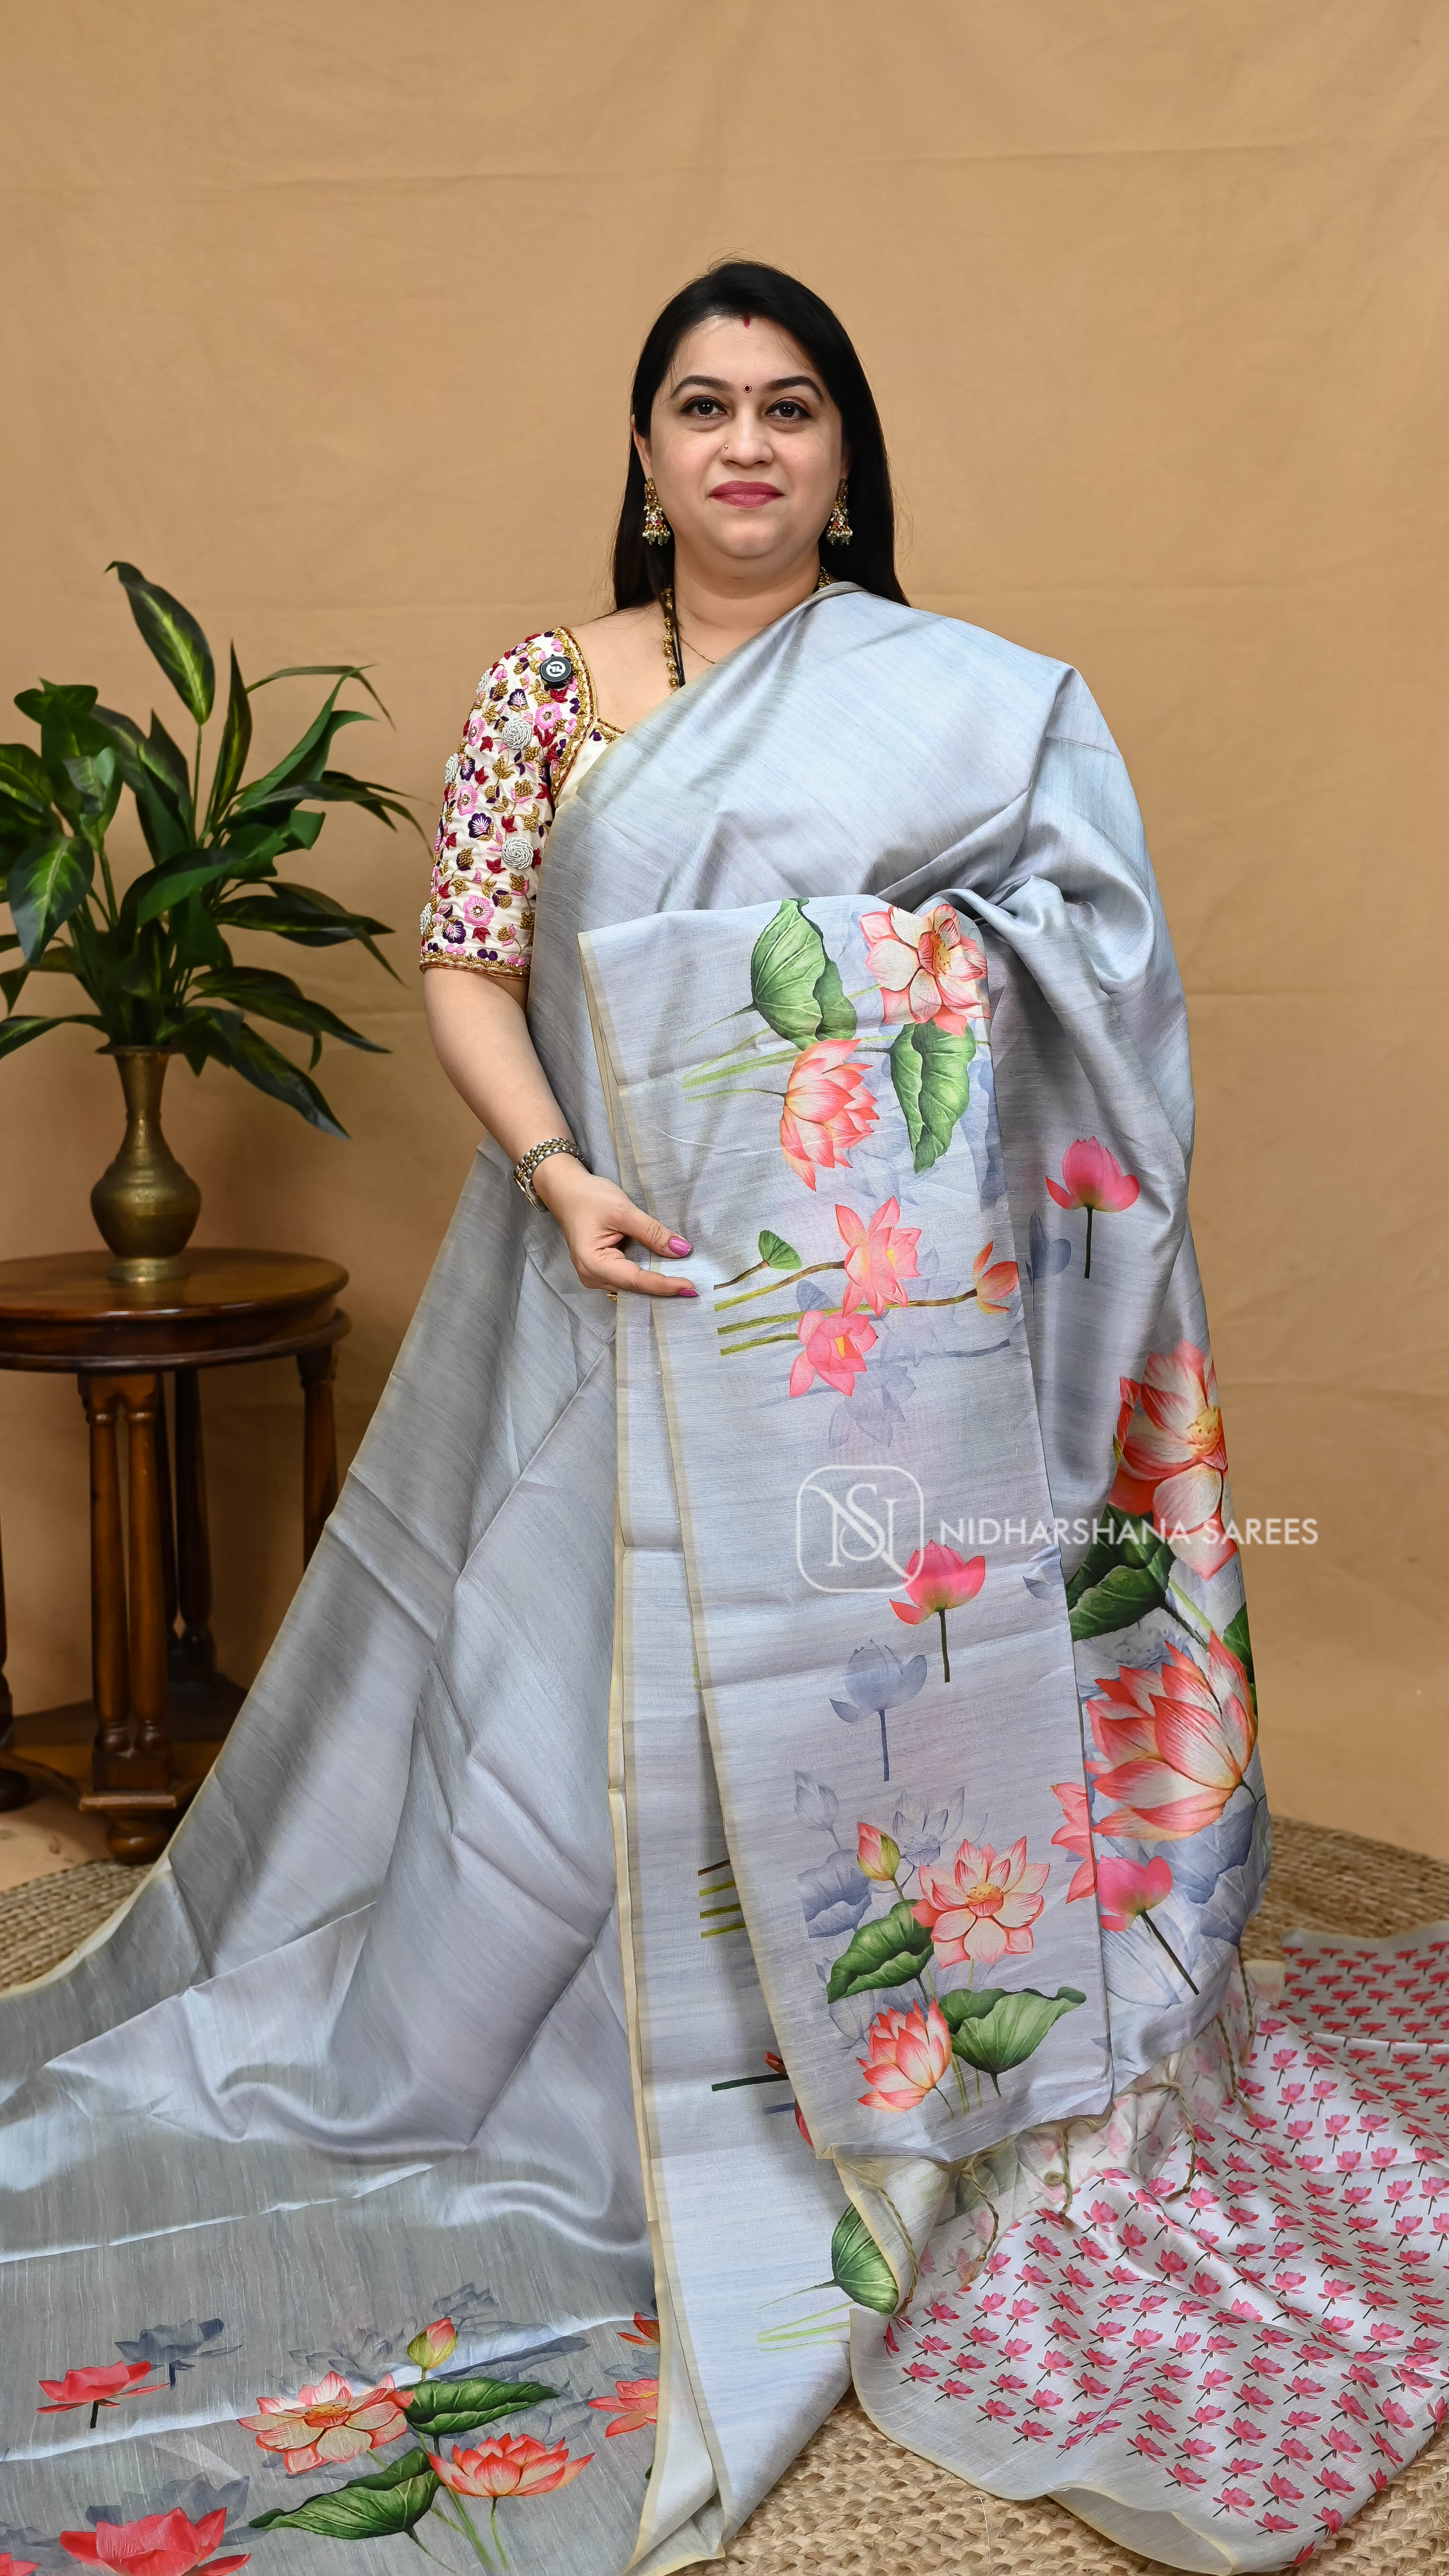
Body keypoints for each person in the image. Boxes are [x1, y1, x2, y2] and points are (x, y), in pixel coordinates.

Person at [2, 263, 1444, 2576]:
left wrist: (913, 992)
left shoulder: (968, 708)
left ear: (845, 455)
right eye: (702, 407)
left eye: (789, 408)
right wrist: (560, 1175)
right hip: (605, 1277)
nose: (746, 446)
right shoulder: (545, 695)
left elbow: (1098, 973)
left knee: (851, 1700)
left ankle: (854, 2091)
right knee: (545, 1721)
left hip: (869, 1343)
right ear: (645, 450)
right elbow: (467, 965)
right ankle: (558, 2094)